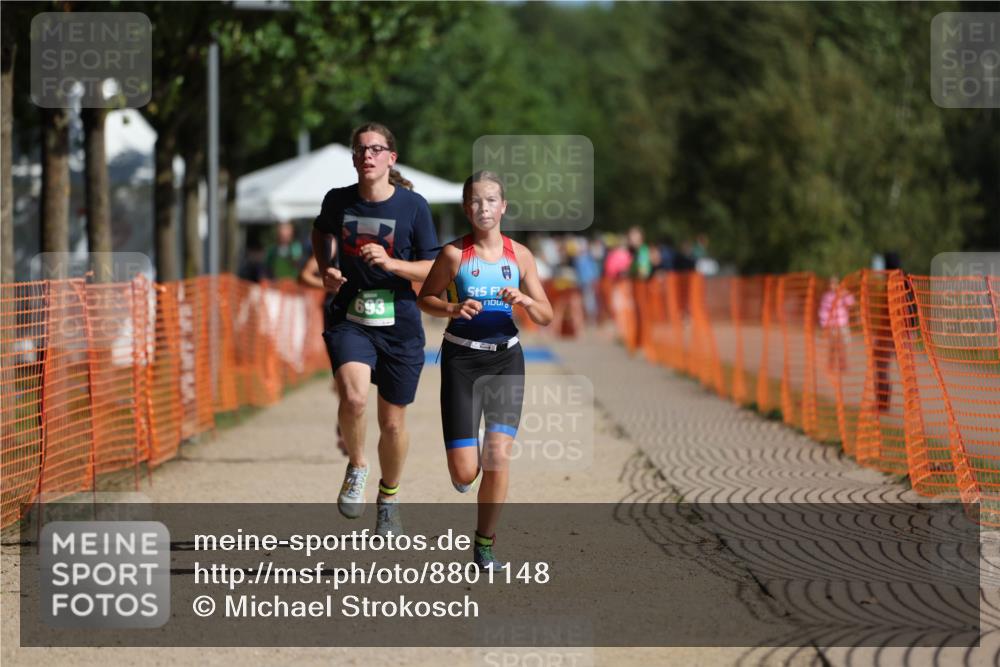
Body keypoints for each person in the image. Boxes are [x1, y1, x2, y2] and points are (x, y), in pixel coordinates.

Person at [417, 171, 553, 570]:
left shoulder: (521, 256)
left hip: (506, 360)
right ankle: (466, 458)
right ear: (466, 208)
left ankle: (484, 545)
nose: (484, 208)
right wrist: (452, 308)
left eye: (491, 200)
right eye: (476, 201)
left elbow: (546, 314)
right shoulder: (454, 255)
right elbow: (425, 297)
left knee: (499, 454)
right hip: (461, 361)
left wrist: (526, 299)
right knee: (465, 470)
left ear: (504, 206)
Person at [311, 122, 439, 536]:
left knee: (393, 424)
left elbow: (434, 265)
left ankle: (389, 496)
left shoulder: (413, 207)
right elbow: (321, 231)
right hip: (351, 317)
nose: (367, 155)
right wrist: (326, 268)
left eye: (376, 149)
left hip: (399, 323)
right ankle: (358, 465)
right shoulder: (338, 201)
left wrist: (392, 264)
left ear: (390, 158)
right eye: (361, 150)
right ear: (354, 158)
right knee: (353, 397)